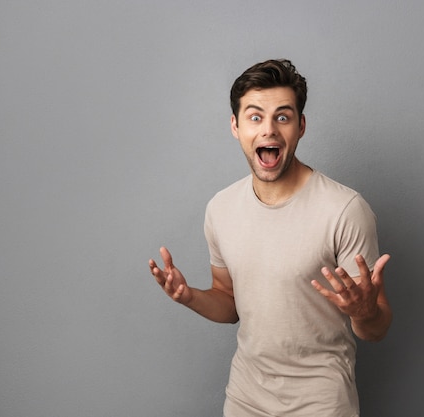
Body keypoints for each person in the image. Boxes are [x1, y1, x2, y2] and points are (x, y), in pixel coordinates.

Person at [149, 59, 392, 417]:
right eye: (254, 116)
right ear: (235, 126)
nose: (269, 130)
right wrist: (190, 298)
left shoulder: (344, 209)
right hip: (246, 399)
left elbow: (376, 328)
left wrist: (364, 311)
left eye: (283, 116)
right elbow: (229, 302)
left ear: (301, 125)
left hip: (321, 405)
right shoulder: (221, 208)